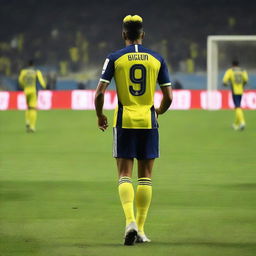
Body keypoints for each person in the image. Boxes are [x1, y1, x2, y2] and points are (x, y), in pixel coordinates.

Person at [94, 15, 172, 246]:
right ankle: (141, 229)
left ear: (123, 34)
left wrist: (100, 116)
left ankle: (129, 222)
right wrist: (157, 111)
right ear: (143, 35)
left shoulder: (114, 58)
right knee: (145, 177)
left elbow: (99, 93)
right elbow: (168, 97)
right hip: (148, 121)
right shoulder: (157, 58)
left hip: (124, 120)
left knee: (124, 174)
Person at [18, 60, 46, 132]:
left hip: (26, 90)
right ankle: (32, 126)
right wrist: (44, 86)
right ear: (33, 65)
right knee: (33, 108)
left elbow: (20, 80)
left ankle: (27, 121)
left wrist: (23, 86)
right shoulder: (36, 72)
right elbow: (41, 81)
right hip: (33, 91)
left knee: (28, 107)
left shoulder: (24, 72)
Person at [223, 60, 248, 131]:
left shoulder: (230, 71)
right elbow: (246, 79)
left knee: (237, 107)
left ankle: (242, 122)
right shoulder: (243, 71)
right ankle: (236, 124)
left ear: (232, 65)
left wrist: (227, 84)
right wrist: (242, 85)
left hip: (235, 91)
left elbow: (224, 81)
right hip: (241, 90)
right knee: (238, 106)